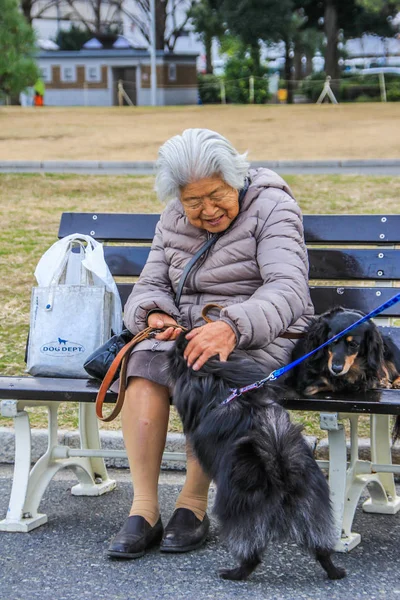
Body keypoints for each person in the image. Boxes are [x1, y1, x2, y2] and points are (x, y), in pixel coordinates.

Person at [108, 128, 314, 559]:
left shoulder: (273, 207)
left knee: (211, 369)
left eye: (217, 195)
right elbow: (149, 284)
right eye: (193, 202)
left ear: (235, 178)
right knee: (144, 369)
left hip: (261, 334)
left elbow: (289, 289)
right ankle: (143, 508)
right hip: (186, 333)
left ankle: (193, 504)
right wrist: (154, 314)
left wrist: (233, 326)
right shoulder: (172, 219)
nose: (208, 209)